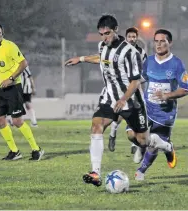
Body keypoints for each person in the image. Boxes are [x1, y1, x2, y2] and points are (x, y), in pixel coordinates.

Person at [65, 15, 173, 187]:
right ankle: (95, 172)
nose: (104, 37)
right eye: (101, 34)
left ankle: (166, 146)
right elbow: (102, 57)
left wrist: (123, 99)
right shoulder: (102, 45)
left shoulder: (129, 51)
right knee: (96, 125)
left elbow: (136, 80)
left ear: (115, 30)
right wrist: (82, 59)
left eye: (107, 33)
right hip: (109, 98)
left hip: (132, 102)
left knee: (141, 140)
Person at [135, 29, 188, 180]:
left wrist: (167, 95)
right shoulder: (149, 61)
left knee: (154, 142)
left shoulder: (177, 64)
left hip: (165, 112)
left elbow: (185, 88)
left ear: (169, 43)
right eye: (156, 41)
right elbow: (141, 79)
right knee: (134, 134)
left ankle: (142, 171)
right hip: (147, 108)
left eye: (162, 41)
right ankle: (152, 146)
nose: (158, 44)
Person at [0, 23, 44, 161]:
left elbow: (23, 63)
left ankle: (36, 149)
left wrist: (11, 78)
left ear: (2, 34)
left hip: (13, 87)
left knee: (17, 121)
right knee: (0, 121)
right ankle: (14, 151)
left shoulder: (10, 46)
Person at [108, 27, 147, 162]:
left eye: (134, 36)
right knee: (118, 115)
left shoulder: (141, 53)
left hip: (135, 90)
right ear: (126, 37)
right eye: (129, 36)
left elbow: (144, 72)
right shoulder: (120, 51)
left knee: (134, 117)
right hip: (121, 89)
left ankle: (133, 144)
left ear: (137, 37)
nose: (132, 39)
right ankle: (112, 134)